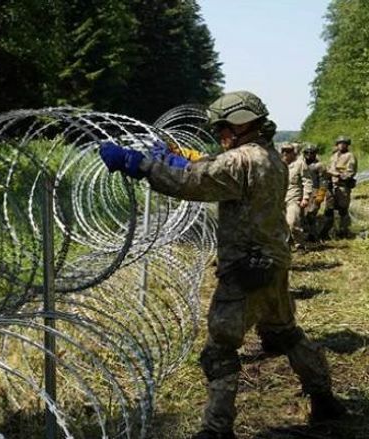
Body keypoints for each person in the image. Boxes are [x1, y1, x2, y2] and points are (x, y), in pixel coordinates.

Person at [98, 91, 345, 439]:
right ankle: (325, 399)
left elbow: (192, 182)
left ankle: (216, 429)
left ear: (240, 125)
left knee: (219, 350)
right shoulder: (270, 157)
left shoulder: (240, 160)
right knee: (285, 332)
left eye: (222, 128)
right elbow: (209, 170)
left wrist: (140, 164)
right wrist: (177, 159)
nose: (219, 135)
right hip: (273, 261)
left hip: (246, 269)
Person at [320, 136, 357, 239]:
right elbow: (329, 168)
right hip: (331, 186)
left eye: (344, 143)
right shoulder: (334, 156)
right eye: (340, 143)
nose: (341, 145)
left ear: (347, 145)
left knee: (343, 210)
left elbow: (350, 173)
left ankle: (343, 231)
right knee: (329, 210)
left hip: (342, 187)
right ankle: (327, 231)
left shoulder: (350, 156)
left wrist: (336, 174)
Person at [280, 142, 313, 249]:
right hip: (280, 199)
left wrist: (306, 197)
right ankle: (286, 245)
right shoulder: (279, 165)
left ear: (293, 153)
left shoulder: (299, 164)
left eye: (288, 151)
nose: (285, 153)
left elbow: (307, 181)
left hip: (294, 198)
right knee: (282, 224)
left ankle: (299, 244)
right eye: (283, 151)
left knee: (292, 222)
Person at [302, 144, 329, 241]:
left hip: (315, 191)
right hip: (303, 191)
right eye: (307, 152)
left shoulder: (319, 166)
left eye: (311, 153)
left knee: (311, 215)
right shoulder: (301, 164)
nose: (309, 155)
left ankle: (313, 236)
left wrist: (321, 195)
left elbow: (324, 181)